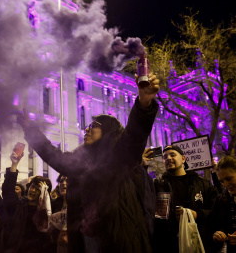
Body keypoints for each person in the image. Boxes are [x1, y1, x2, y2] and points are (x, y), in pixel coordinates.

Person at [16, 72, 160, 252]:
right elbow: (53, 155)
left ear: (107, 131)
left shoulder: (120, 156)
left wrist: (144, 102)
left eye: (94, 126)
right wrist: (30, 130)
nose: (87, 129)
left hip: (119, 239)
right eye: (88, 126)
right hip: (86, 239)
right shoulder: (80, 161)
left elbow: (135, 135)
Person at [152, 145, 218, 253]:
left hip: (197, 243)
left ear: (183, 159)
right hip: (167, 245)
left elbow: (217, 210)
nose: (168, 158)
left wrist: (197, 214)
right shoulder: (157, 185)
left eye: (172, 155)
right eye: (165, 157)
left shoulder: (202, 184)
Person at [2, 151, 55, 253]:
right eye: (32, 187)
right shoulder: (20, 205)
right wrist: (14, 164)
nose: (32, 190)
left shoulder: (48, 210)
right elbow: (7, 192)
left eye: (37, 189)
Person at [49, 174, 68, 253]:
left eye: (67, 181)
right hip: (57, 245)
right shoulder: (55, 203)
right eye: (61, 181)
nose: (63, 183)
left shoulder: (80, 204)